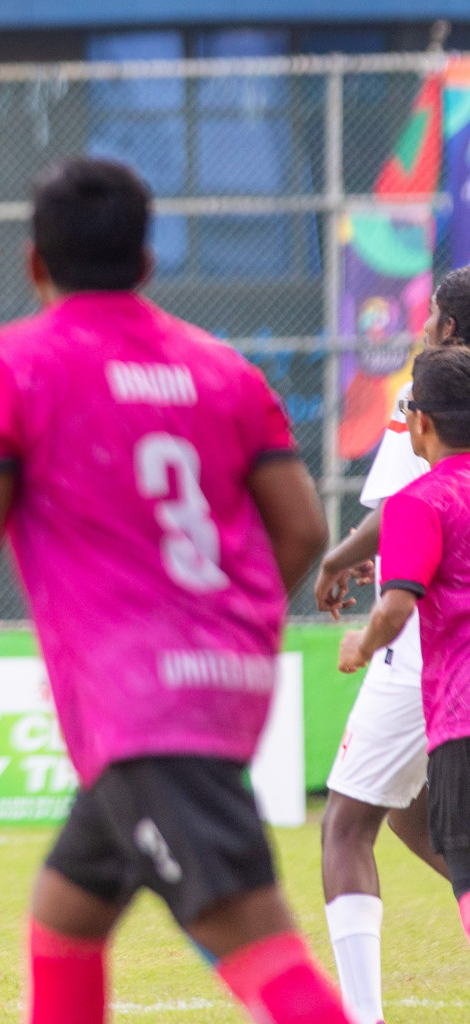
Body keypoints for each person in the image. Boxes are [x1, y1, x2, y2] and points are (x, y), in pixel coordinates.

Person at [0, 157, 350, 1024]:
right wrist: (226, 624)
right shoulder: (224, 369)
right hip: (205, 695)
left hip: (140, 709)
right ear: (147, 262)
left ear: (33, 261)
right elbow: (300, 532)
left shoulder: (7, 366)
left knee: (261, 949)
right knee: (63, 919)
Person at [311, 271, 470, 1023]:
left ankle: (363, 1018)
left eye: (430, 314)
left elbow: (404, 514)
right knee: (411, 813)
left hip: (425, 653)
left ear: (442, 327)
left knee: (346, 823)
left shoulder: (427, 397)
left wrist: (341, 558)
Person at [339, 345, 470, 951]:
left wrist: (361, 645)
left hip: (459, 715)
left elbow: (396, 607)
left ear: (421, 422)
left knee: (461, 866)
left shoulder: (422, 500)